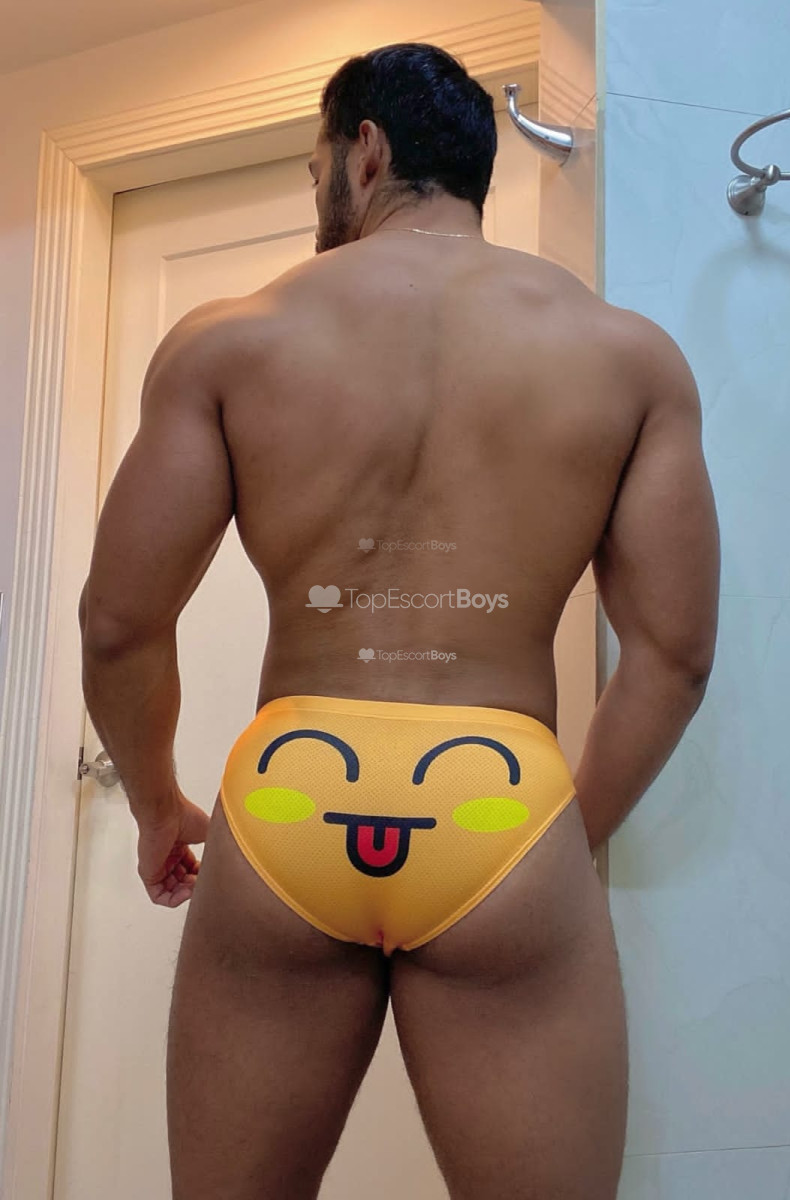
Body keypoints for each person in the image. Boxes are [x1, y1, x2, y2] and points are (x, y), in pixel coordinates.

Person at [79, 41, 720, 1200]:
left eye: (314, 167)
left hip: (291, 790)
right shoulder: (626, 358)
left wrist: (158, 802)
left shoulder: (229, 340)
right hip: (497, 787)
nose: (315, 194)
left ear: (364, 154)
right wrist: (553, 840)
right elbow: (672, 657)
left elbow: (120, 623)